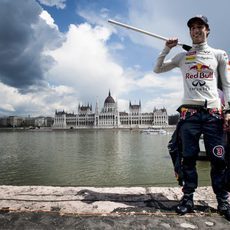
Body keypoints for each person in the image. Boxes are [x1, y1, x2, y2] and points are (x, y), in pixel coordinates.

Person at [153, 15, 230, 220]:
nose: (196, 30)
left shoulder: (219, 54)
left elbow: (227, 84)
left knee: (219, 159)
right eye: (192, 28)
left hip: (213, 114)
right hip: (189, 114)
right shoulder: (182, 57)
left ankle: (223, 200)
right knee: (188, 159)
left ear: (207, 30)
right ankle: (188, 198)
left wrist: (228, 111)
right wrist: (167, 49)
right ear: (190, 32)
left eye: (200, 27)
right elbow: (157, 69)